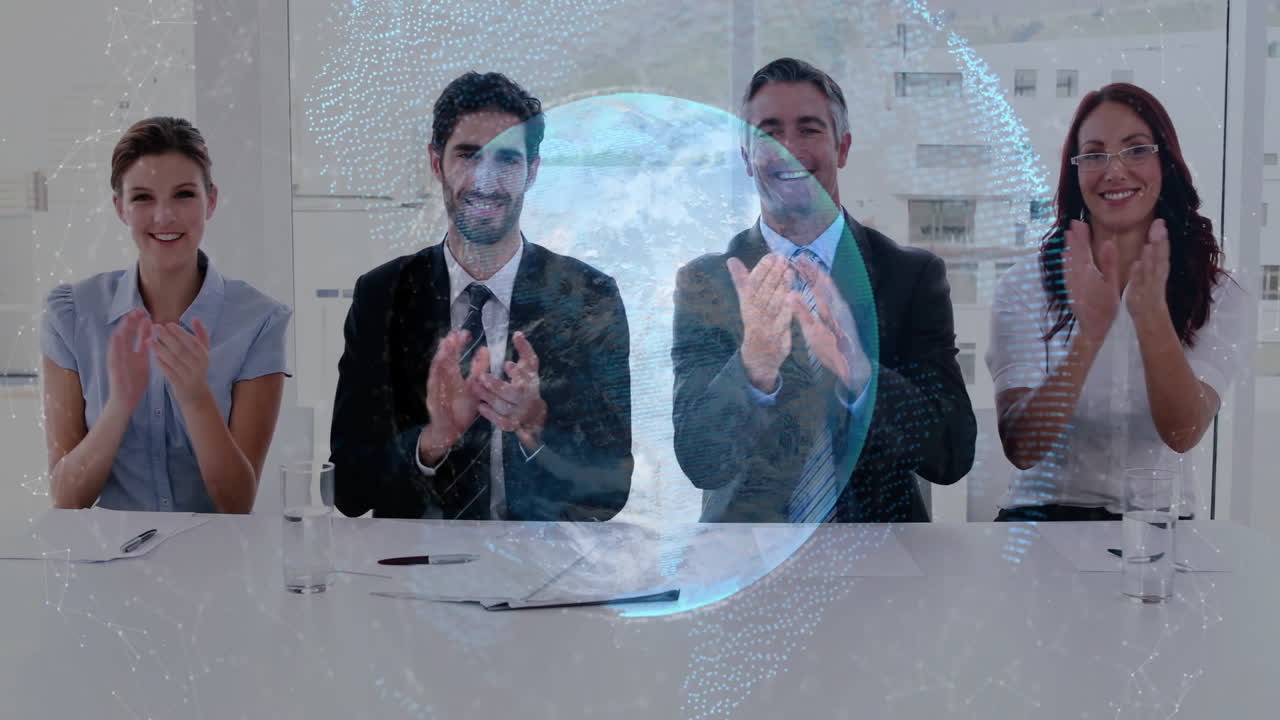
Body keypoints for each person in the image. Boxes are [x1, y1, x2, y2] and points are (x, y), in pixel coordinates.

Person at [672, 58, 976, 523]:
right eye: (769, 133)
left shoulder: (911, 276)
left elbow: (952, 455)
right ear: (746, 158)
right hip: (747, 551)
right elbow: (701, 462)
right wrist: (752, 367)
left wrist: (863, 376)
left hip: (879, 549)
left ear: (843, 147)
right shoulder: (706, 283)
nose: (789, 149)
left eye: (809, 130)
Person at [330, 71, 632, 521]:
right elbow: (348, 488)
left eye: (506, 159)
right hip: (416, 558)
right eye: (468, 155)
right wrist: (434, 439)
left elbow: (611, 491)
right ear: (437, 164)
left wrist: (536, 430)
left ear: (532, 172)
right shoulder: (382, 295)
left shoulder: (589, 297)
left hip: (537, 558)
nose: (486, 181)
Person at [986, 83, 1247, 522]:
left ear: (1165, 163)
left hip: (1158, 523)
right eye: (1094, 155)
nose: (1114, 170)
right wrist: (1089, 338)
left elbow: (1184, 432)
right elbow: (1021, 447)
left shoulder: (1218, 292)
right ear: (1075, 174)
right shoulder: (1025, 285)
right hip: (1042, 521)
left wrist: (1151, 317)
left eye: (1136, 149)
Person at [42, 117, 292, 513]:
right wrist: (119, 404)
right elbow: (68, 499)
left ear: (211, 201)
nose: (164, 216)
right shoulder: (73, 315)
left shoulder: (258, 321)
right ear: (120, 208)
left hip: (213, 550)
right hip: (110, 551)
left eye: (184, 194)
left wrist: (196, 398)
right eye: (142, 197)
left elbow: (237, 503)